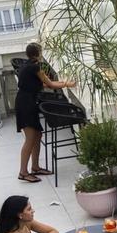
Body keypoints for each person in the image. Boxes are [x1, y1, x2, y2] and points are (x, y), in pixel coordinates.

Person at [15, 42, 76, 183]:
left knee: (38, 134)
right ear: (38, 53)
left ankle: (35, 167)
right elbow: (50, 84)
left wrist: (63, 83)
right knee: (30, 138)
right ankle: (23, 172)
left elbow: (42, 83)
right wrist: (67, 84)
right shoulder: (36, 66)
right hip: (26, 104)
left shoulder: (27, 65)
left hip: (26, 101)